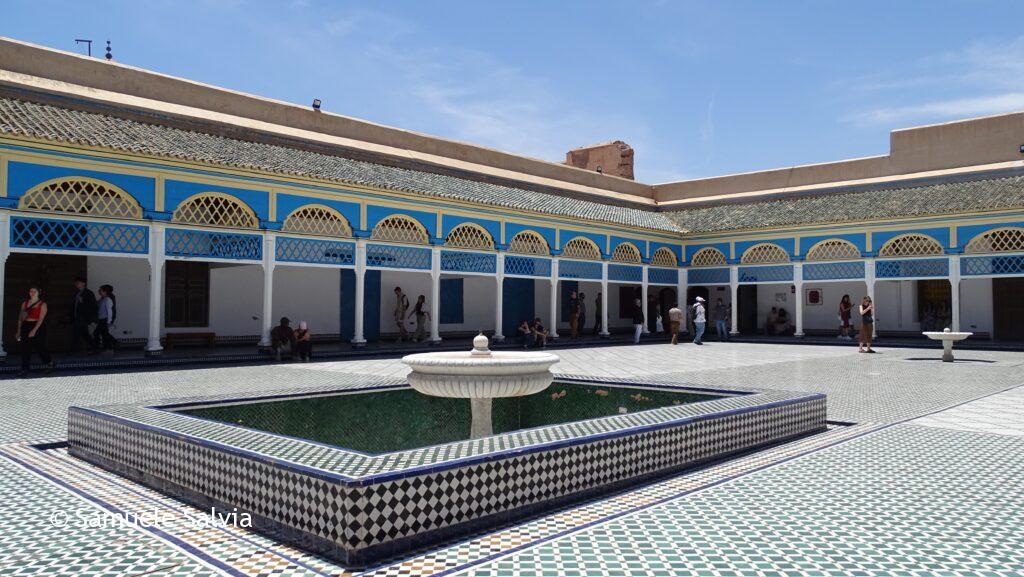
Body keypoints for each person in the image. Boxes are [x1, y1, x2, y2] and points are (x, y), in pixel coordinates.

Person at [16, 286, 53, 375]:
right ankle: (25, 369)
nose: (32, 293)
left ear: (38, 293)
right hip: (26, 325)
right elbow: (20, 318)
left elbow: (41, 319)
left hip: (38, 326)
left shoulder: (43, 304)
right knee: (25, 348)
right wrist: (18, 331)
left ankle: (49, 363)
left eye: (34, 291)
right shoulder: (24, 303)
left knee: (40, 346)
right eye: (31, 291)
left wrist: (34, 330)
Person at [69, 276, 97, 353]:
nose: (76, 284)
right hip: (77, 317)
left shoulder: (88, 293)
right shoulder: (77, 293)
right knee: (84, 334)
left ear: (83, 283)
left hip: (83, 318)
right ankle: (95, 347)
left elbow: (93, 306)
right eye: (76, 283)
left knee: (76, 334)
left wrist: (83, 302)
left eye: (78, 283)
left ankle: (73, 350)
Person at [92, 284, 118, 355]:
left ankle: (105, 348)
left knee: (98, 333)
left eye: (100, 290)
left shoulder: (108, 300)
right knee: (104, 334)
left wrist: (109, 321)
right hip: (101, 319)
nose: (99, 291)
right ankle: (110, 347)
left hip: (104, 320)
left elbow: (109, 311)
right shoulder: (103, 299)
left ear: (105, 291)